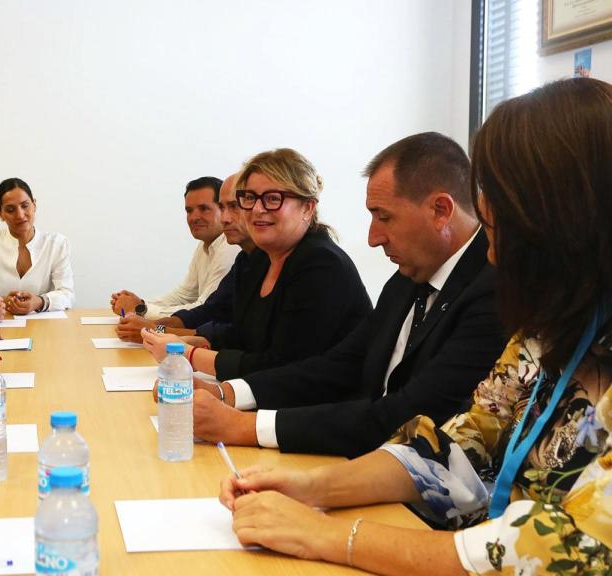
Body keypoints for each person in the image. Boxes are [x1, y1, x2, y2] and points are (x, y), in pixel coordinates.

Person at [218, 77, 612, 576]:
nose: (491, 250)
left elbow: (569, 546)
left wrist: (322, 534)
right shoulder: (547, 331)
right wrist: (310, 486)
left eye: (501, 222)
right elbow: (458, 443)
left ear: (567, 221)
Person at [187, 132, 506, 458]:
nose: (372, 238)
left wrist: (245, 426)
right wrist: (229, 392)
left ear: (441, 210)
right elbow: (340, 364)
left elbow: (408, 415)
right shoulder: (408, 278)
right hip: (363, 456)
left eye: (384, 216)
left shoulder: (494, 292)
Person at [141, 149, 371, 380]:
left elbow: (284, 367)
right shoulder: (257, 259)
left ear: (308, 208)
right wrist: (197, 341)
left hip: (318, 408)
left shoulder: (321, 264)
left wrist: (190, 355)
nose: (257, 209)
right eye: (250, 198)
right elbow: (244, 334)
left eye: (273, 199)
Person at [116, 174, 255, 343]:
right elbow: (204, 309)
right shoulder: (243, 259)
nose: (194, 217)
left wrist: (145, 316)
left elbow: (223, 331)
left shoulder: (231, 250)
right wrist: (146, 317)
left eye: (204, 208)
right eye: (189, 211)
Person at [0, 177, 75, 314]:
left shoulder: (57, 244)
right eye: (10, 209)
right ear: (0, 214)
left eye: (25, 206)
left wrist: (39, 301)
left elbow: (67, 294)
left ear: (34, 205)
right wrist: (1, 302)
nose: (20, 215)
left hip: (45, 324)